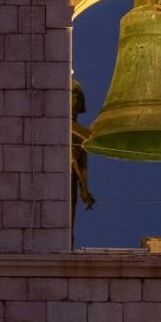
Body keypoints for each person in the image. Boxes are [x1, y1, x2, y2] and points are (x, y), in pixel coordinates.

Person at [70, 77, 95, 238]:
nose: (74, 101)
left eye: (77, 97)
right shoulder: (57, 128)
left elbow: (82, 164)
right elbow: (72, 161)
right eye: (71, 95)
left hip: (71, 184)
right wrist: (83, 188)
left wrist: (84, 190)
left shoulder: (83, 134)